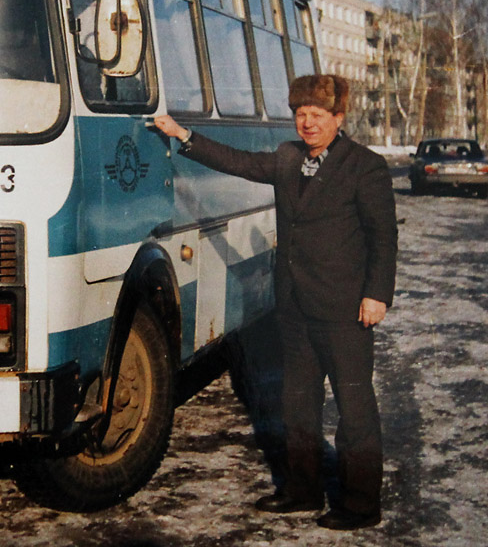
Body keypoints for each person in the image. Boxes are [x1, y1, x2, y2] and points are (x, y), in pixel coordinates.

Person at [153, 74, 397, 531]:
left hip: (345, 310)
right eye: (301, 114)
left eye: (317, 115)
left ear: (338, 119)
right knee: (297, 405)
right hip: (295, 308)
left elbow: (383, 237)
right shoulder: (288, 158)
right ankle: (302, 492)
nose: (307, 123)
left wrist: (377, 294)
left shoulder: (366, 166)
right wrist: (183, 135)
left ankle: (361, 504)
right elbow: (238, 161)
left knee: (354, 408)